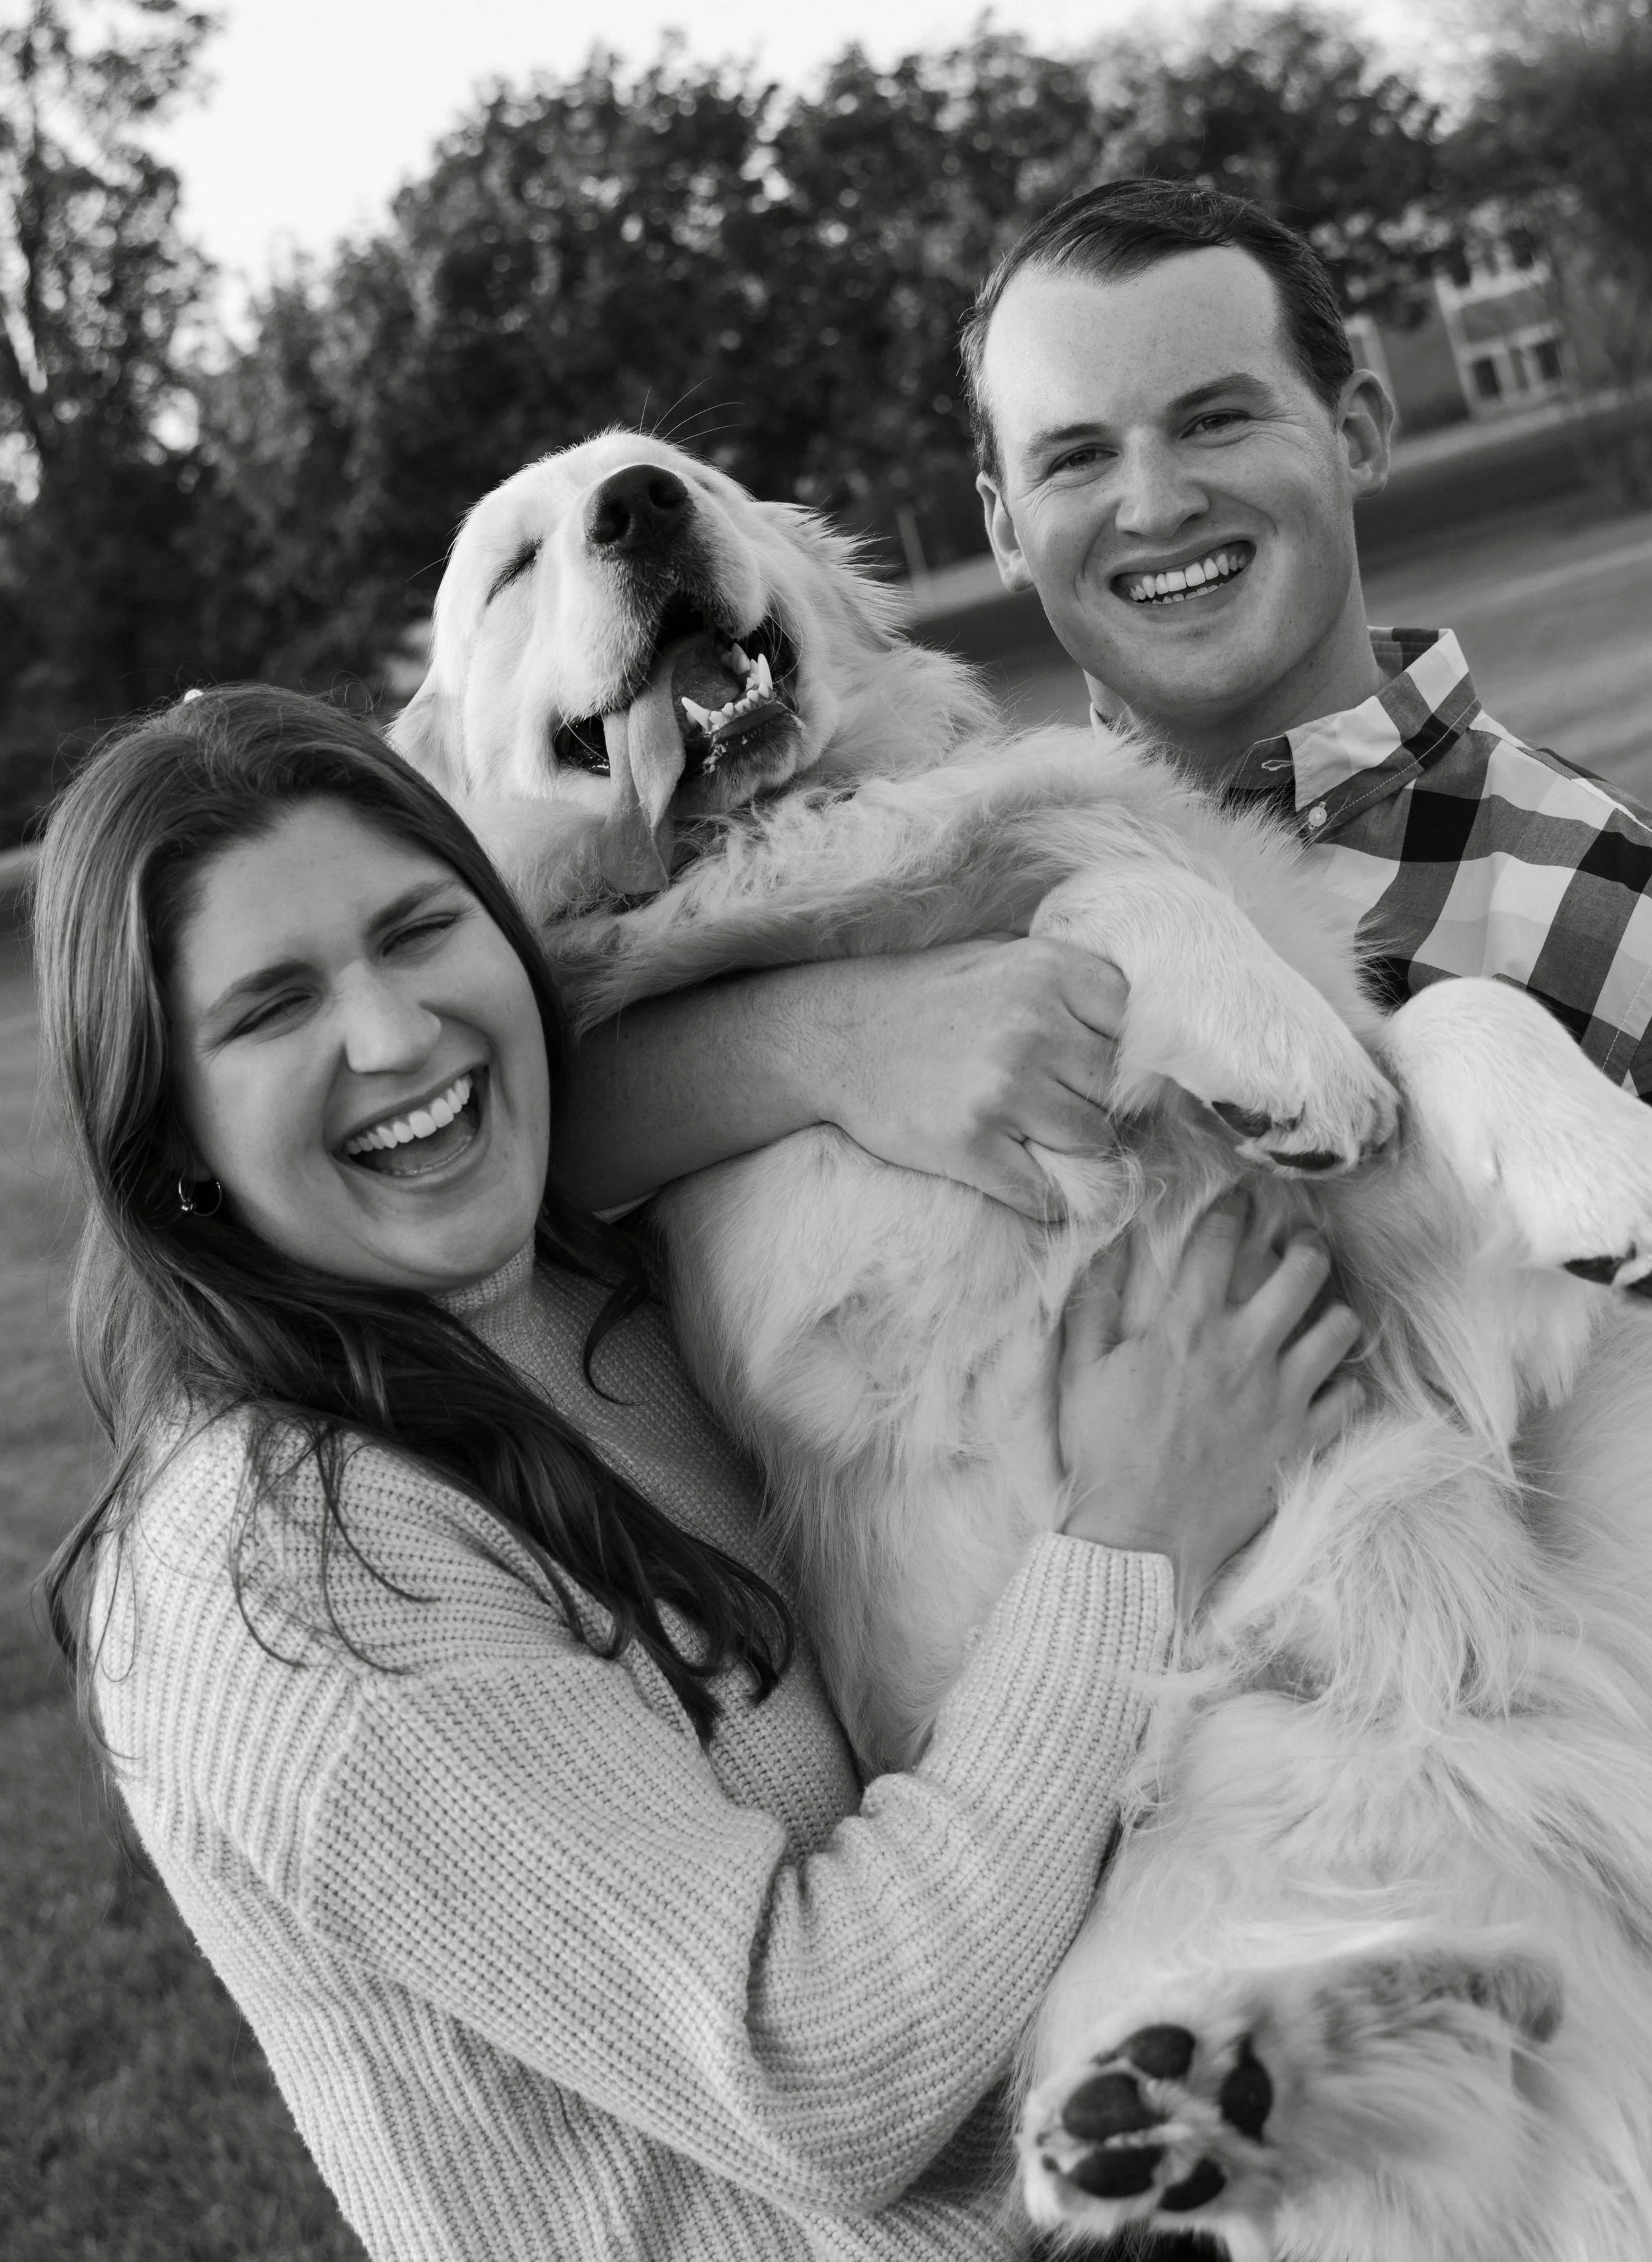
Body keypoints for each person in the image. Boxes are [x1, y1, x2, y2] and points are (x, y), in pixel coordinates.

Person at [38, 686, 1361, 2262]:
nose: (393, 1036)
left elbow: (625, 1077)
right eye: (269, 1010)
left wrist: (842, 1039)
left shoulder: (581, 1289)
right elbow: (826, 2069)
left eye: (416, 931)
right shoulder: (278, 1581)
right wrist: (1131, 1536)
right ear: (166, 1124)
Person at [550, 180, 1652, 1226]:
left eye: (1216, 420)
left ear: (1355, 433)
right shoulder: (931, 864)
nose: (1159, 505)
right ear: (1003, 528)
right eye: (1076, 456)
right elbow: (533, 1125)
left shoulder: (1606, 888)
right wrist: (832, 1040)